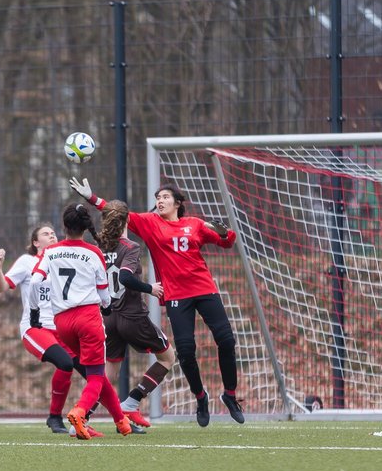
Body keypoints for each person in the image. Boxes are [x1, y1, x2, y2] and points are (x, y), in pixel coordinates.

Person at [70, 176, 245, 426]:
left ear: (177, 203)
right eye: (157, 198)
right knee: (185, 352)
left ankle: (230, 395)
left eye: (165, 197)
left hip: (205, 289)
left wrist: (224, 232)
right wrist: (90, 197)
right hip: (175, 295)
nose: (160, 201)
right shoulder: (150, 223)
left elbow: (227, 242)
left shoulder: (194, 224)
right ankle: (200, 397)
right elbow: (116, 212)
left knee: (226, 340)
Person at [30, 203, 133, 439]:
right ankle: (80, 413)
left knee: (95, 373)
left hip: (62, 322)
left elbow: (35, 282)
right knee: (96, 375)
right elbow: (104, 291)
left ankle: (121, 421)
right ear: (86, 228)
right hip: (87, 318)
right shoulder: (93, 252)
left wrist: (35, 311)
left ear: (64, 226)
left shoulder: (51, 251)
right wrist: (107, 307)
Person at [0, 223, 92, 435]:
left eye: (53, 233)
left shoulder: (61, 261)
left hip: (63, 329)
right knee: (65, 363)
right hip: (35, 328)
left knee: (92, 372)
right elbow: (2, 287)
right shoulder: (27, 261)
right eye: (46, 234)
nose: (52, 235)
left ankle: (114, 417)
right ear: (36, 242)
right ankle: (55, 417)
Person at [96, 199, 175, 431]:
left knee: (108, 371)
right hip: (132, 316)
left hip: (107, 317)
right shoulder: (130, 247)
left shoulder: (99, 247)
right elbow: (125, 278)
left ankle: (84, 414)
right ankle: (131, 402)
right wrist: (150, 288)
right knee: (168, 357)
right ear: (127, 220)